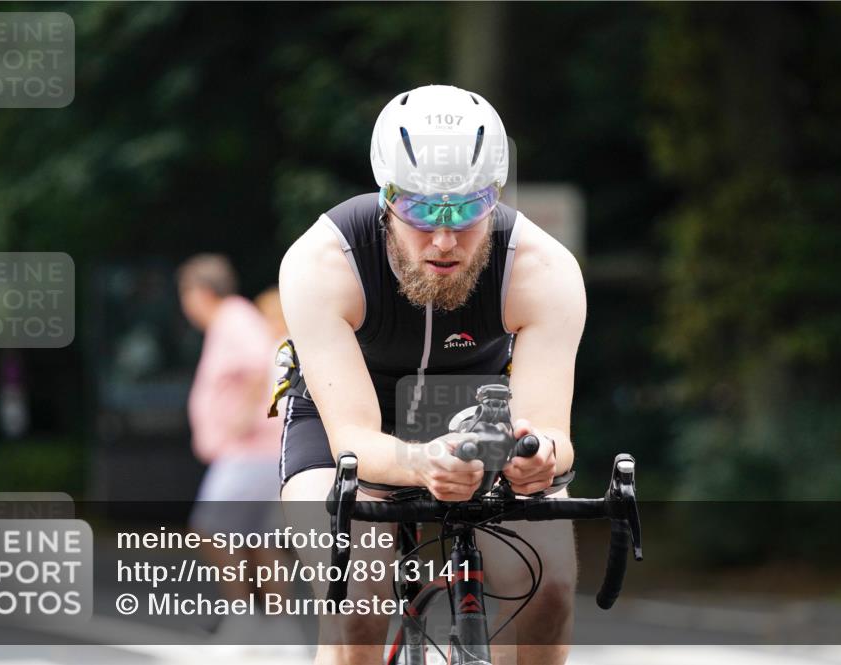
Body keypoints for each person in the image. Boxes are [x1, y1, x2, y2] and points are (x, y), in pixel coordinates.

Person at [276, 85, 585, 665]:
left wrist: (538, 455)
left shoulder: (543, 270)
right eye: (419, 209)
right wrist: (421, 463)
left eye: (467, 209)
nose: (444, 238)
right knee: (357, 604)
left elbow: (552, 433)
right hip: (346, 423)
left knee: (550, 589)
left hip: (479, 419)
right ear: (385, 195)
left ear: (495, 198)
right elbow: (355, 441)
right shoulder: (321, 264)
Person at [177, 255, 291, 641]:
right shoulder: (233, 320)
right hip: (258, 449)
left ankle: (243, 617)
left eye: (186, 295)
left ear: (200, 293)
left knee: (209, 529)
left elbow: (262, 362)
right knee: (257, 540)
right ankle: (277, 629)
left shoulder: (233, 317)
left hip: (249, 448)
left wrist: (244, 415)